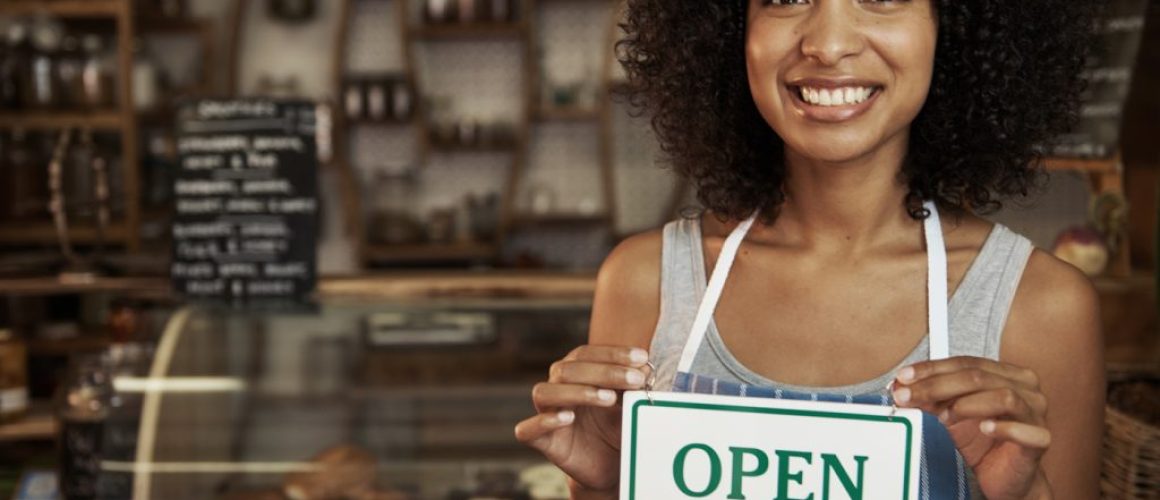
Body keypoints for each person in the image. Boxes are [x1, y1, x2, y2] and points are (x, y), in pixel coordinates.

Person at [515, 0, 1104, 498]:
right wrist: (602, 486)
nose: (828, 43)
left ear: (950, 27)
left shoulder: (1041, 306)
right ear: (730, 30)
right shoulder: (644, 281)